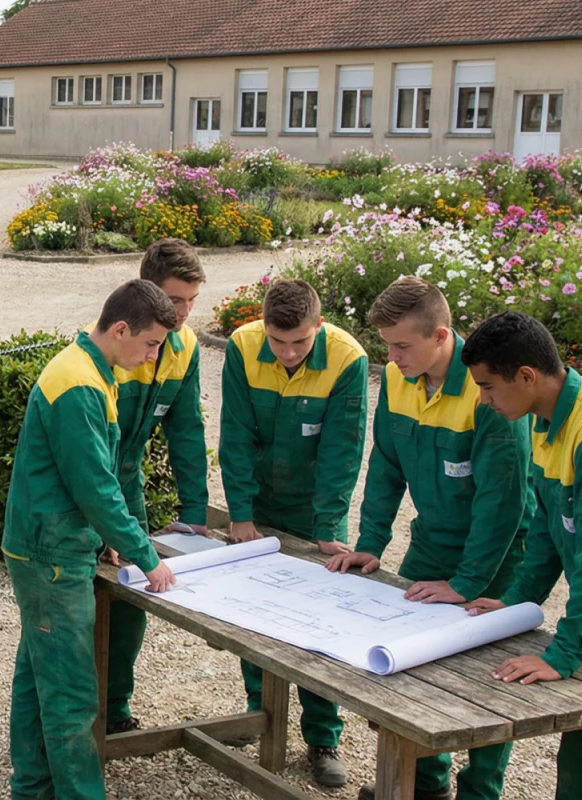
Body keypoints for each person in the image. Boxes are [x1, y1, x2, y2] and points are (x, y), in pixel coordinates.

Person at [327, 278, 531, 800]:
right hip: (433, 540)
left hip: (503, 553)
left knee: (494, 677)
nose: (390, 358)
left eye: (401, 346)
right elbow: (386, 467)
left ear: (441, 336)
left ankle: (481, 790)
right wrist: (369, 541)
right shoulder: (400, 379)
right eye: (386, 346)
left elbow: (501, 502)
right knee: (408, 659)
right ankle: (426, 781)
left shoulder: (488, 388)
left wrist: (466, 583)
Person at [4, 279, 179, 800]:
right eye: (149, 344)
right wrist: (148, 556)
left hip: (45, 543)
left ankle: (31, 788)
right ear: (121, 329)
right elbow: (96, 485)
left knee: (39, 676)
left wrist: (113, 538)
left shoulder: (89, 365)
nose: (152, 358)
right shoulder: (80, 384)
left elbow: (95, 478)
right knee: (73, 695)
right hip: (50, 553)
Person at [459, 312, 582, 800]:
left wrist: (564, 653)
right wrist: (519, 604)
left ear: (526, 376)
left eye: (488, 386)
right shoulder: (545, 418)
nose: (484, 400)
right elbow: (548, 529)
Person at [219, 277, 368, 787]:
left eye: (299, 342)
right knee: (253, 614)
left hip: (312, 509)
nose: (286, 352)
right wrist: (240, 512)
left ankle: (323, 735)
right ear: (263, 326)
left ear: (319, 327)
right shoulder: (242, 345)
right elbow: (234, 433)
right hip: (258, 503)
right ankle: (261, 715)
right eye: (277, 342)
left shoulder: (348, 359)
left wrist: (328, 527)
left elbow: (342, 452)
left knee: (318, 623)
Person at [99, 239, 210, 735]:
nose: (184, 312)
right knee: (86, 602)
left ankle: (117, 708)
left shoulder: (182, 349)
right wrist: (105, 526)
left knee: (131, 603)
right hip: (94, 488)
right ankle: (83, 711)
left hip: (130, 486)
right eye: (174, 300)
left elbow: (188, 430)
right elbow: (91, 454)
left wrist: (197, 509)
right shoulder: (118, 345)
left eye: (191, 300)